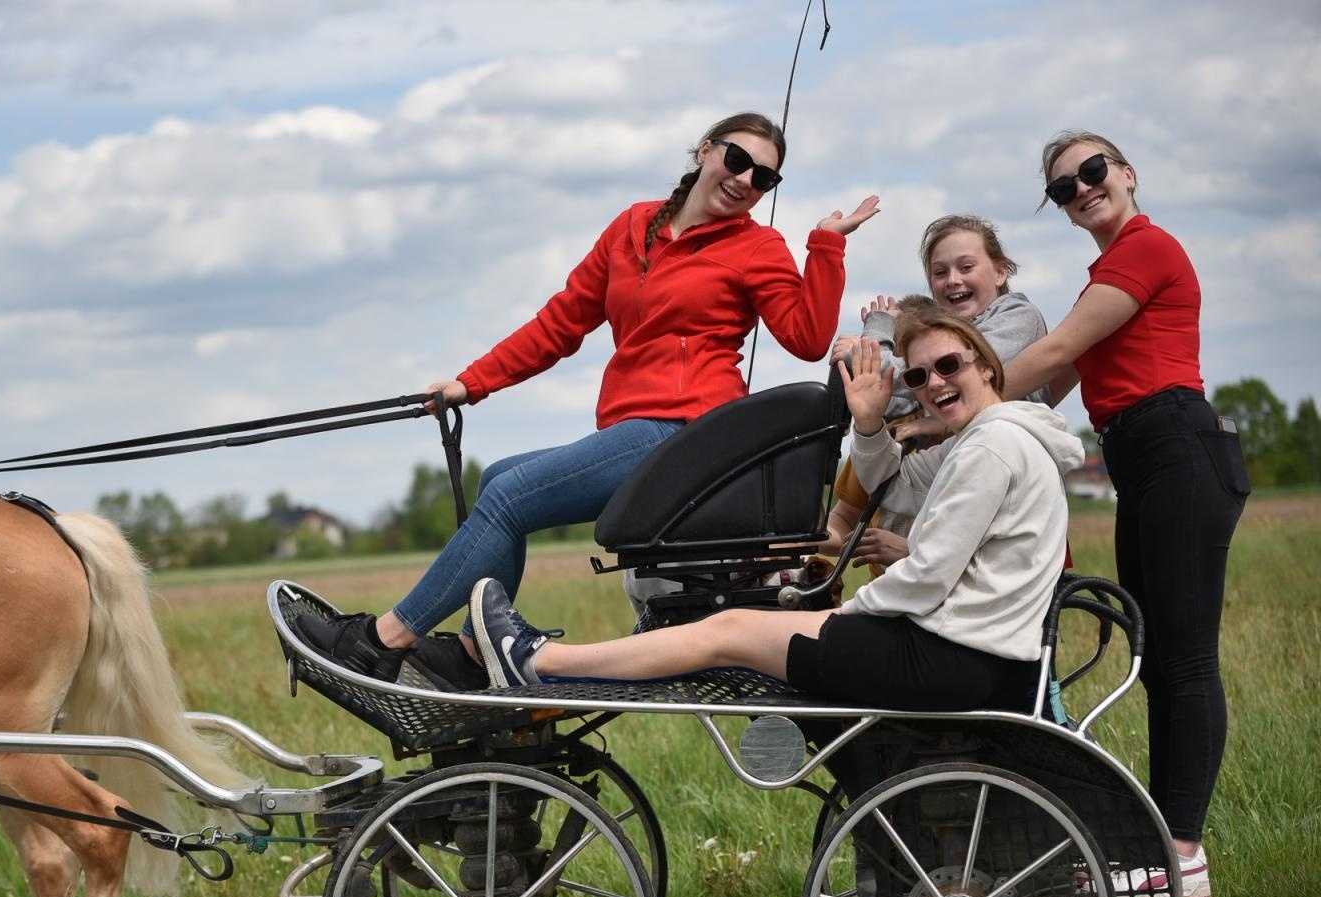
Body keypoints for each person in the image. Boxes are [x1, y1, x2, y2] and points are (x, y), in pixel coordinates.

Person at [298, 112, 880, 690]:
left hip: (691, 432)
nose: (746, 181)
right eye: (737, 160)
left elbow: (805, 338)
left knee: (508, 494)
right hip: (634, 426)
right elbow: (561, 322)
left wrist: (825, 246)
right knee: (501, 477)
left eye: (764, 179)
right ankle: (480, 657)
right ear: (705, 150)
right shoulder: (633, 227)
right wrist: (469, 383)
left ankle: (381, 642)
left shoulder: (758, 246)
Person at [471, 306, 1084, 719]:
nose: (933, 385)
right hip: (974, 652)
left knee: (730, 629)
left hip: (951, 657)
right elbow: (888, 491)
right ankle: (551, 670)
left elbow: (927, 575)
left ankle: (539, 664)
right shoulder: (998, 438)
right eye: (919, 376)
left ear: (986, 365)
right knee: (740, 629)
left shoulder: (991, 447)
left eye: (949, 366)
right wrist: (869, 424)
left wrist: (847, 614)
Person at [994, 130, 1248, 897]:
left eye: (1092, 172)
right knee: (1160, 659)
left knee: (1188, 660)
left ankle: (1182, 854)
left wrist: (935, 396)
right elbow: (1056, 381)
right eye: (1063, 187)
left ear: (1129, 175)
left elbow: (1054, 352)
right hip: (1143, 459)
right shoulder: (1105, 274)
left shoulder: (1145, 248)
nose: (1081, 190)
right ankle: (1165, 851)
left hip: (1177, 447)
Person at [828, 215, 1054, 572]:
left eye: (966, 266)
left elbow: (969, 368)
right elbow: (892, 395)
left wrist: (867, 350)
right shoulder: (923, 412)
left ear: (1000, 272)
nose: (953, 280)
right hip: (933, 539)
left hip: (1003, 501)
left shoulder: (1016, 315)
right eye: (940, 272)